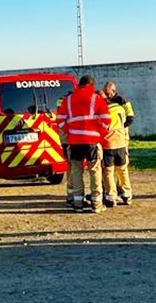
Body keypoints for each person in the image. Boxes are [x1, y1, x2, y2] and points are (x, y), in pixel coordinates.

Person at [57, 75, 111, 213]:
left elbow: (60, 120)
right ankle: (96, 203)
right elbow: (106, 119)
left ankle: (78, 203)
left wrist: (71, 132)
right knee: (94, 171)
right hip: (92, 141)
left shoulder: (67, 100)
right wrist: (99, 133)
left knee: (76, 171)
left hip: (74, 141)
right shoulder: (96, 98)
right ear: (91, 85)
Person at [101, 81, 135, 206]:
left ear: (113, 91)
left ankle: (111, 196)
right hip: (121, 141)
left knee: (108, 171)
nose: (105, 95)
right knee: (122, 169)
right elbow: (130, 118)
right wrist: (120, 128)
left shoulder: (104, 109)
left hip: (109, 143)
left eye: (106, 93)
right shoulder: (122, 105)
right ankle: (127, 194)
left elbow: (130, 119)